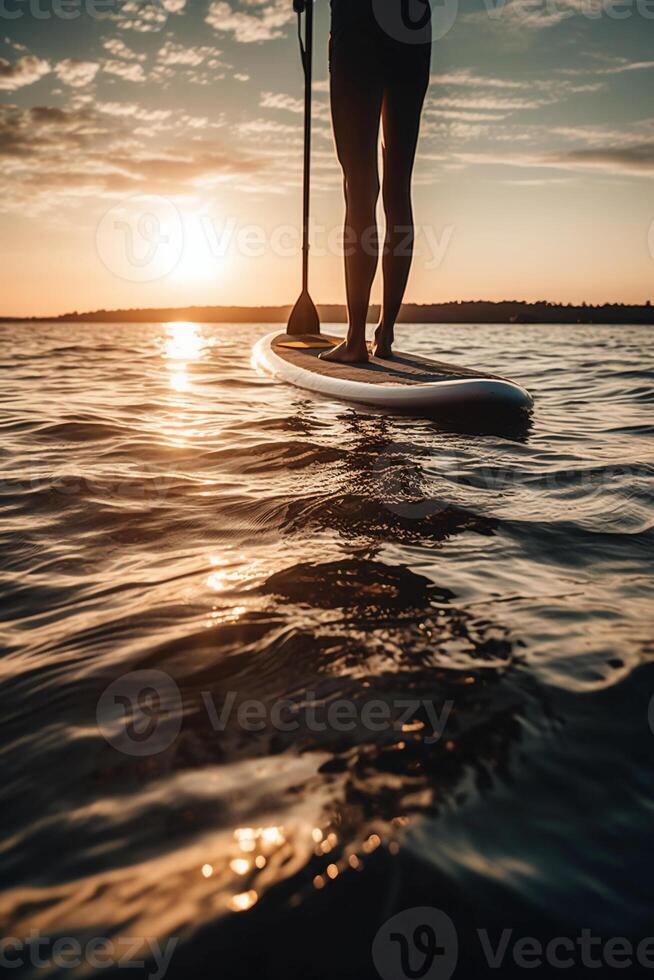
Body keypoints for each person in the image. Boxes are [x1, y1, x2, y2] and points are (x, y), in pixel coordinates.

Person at [321, 0, 432, 363]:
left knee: (361, 184)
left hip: (358, 23)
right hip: (411, 24)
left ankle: (355, 340)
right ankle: (384, 336)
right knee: (399, 185)